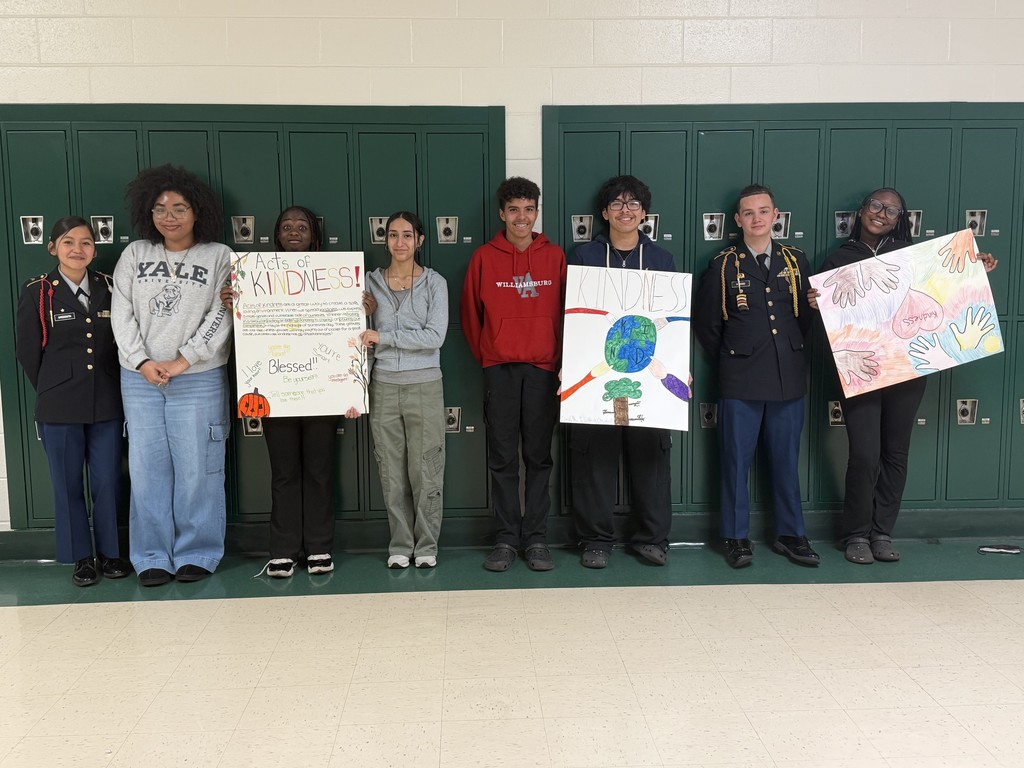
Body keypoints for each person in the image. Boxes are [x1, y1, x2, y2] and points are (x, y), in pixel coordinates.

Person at [809, 188, 998, 564]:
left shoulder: (914, 257)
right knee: (864, 455)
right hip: (863, 371)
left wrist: (974, 269)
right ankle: (856, 534)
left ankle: (881, 532)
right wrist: (817, 304)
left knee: (895, 453)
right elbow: (833, 318)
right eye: (876, 206)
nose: (882, 214)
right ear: (861, 211)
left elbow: (947, 287)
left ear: (900, 219)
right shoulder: (839, 260)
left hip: (908, 370)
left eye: (892, 211)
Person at [224, 207, 375, 578]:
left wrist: (365, 310)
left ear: (313, 235)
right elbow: (248, 328)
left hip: (322, 392)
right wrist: (235, 302)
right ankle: (284, 550)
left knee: (320, 472)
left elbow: (353, 332)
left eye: (302, 227)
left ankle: (320, 547)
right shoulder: (256, 277)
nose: (294, 232)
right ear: (277, 234)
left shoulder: (337, 278)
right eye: (287, 227)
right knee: (284, 473)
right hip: (276, 391)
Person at [112, 165, 232, 587]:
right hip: (140, 379)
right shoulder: (135, 254)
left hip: (198, 377)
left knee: (198, 469)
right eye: (161, 209)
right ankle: (151, 556)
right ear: (149, 213)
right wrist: (142, 362)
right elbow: (121, 313)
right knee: (147, 470)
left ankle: (197, 552)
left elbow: (223, 313)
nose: (170, 217)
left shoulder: (218, 256)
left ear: (197, 212)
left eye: (180, 208)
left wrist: (183, 360)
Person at [693, 183, 819, 569]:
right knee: (736, 461)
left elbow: (805, 319)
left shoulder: (796, 261)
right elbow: (708, 326)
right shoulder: (723, 265)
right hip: (741, 378)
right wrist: (738, 355)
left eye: (764, 211)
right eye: (748, 213)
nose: (757, 218)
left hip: (787, 377)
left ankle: (790, 534)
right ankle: (735, 537)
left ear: (775, 216)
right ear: (738, 220)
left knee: (786, 460)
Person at [568, 175, 678, 569]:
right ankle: (596, 539)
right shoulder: (584, 257)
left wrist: (677, 369)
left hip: (648, 375)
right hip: (599, 371)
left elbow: (674, 320)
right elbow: (572, 318)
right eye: (617, 203)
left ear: (644, 213)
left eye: (633, 204)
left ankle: (652, 538)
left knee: (650, 456)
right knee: (595, 457)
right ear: (605, 212)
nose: (625, 210)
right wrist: (569, 368)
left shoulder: (662, 260)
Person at [15, 216, 130, 587]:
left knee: (108, 480)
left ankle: (110, 553)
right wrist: (54, 387)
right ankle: (81, 557)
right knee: (67, 484)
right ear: (53, 248)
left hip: (106, 401)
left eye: (86, 243)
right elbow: (28, 352)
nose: (77, 249)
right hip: (59, 405)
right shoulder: (38, 292)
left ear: (95, 249)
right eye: (68, 242)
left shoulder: (109, 287)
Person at [461, 177, 566, 572]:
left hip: (543, 371)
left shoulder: (554, 256)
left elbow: (569, 311)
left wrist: (558, 359)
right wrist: (492, 354)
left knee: (538, 458)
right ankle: (506, 538)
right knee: (503, 458)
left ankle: (536, 539)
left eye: (529, 209)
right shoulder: (483, 258)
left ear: (536, 213)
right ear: (502, 214)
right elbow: (470, 316)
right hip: (500, 371)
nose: (522, 217)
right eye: (514, 210)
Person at [359, 212, 448, 569]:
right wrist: (354, 389)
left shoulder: (435, 283)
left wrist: (385, 336)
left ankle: (426, 546)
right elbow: (357, 337)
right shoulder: (368, 283)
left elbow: (434, 337)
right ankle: (400, 543)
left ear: (419, 241)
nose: (400, 242)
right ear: (385, 240)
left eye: (407, 235)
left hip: (424, 385)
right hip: (384, 386)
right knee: (391, 472)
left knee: (426, 470)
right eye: (393, 235)